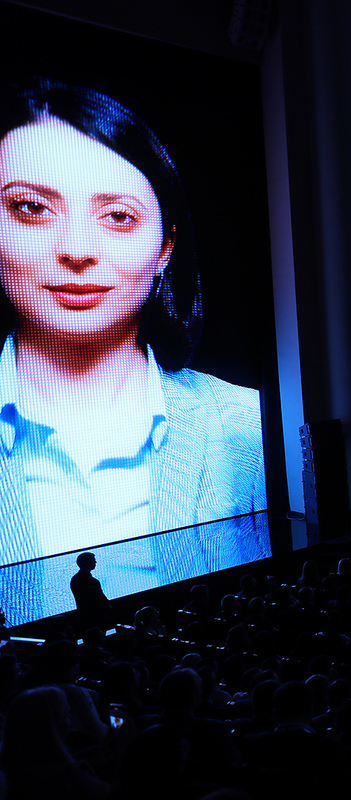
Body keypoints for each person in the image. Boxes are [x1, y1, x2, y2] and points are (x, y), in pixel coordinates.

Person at [0, 78, 267, 623]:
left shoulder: (251, 428)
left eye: (118, 216)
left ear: (166, 246)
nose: (77, 249)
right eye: (31, 208)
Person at [70, 551, 111, 632]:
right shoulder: (93, 581)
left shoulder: (75, 580)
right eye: (93, 560)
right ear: (88, 563)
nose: (95, 562)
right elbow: (100, 599)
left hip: (84, 617)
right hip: (97, 617)